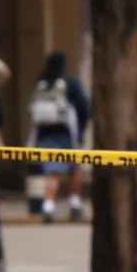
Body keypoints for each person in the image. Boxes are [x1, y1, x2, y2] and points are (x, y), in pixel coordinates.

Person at [26, 52, 90, 222]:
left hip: (45, 136)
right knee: (75, 169)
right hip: (67, 134)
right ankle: (75, 205)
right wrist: (81, 131)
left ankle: (48, 206)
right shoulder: (71, 83)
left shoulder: (41, 83)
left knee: (52, 173)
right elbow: (84, 107)